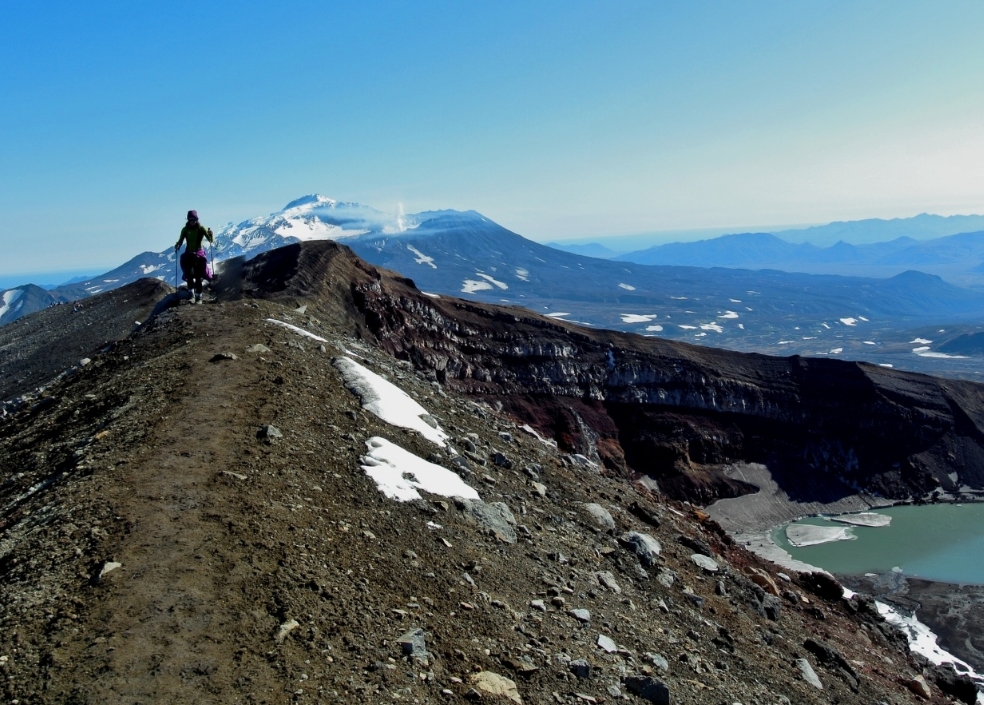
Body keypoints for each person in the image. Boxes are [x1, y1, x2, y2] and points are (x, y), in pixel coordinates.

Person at [175, 210, 214, 304]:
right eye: (190, 219)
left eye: (194, 219)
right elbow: (180, 240)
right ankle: (192, 295)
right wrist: (178, 245)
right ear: (188, 220)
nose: (192, 221)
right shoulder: (185, 230)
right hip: (189, 254)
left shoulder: (201, 229)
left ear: (197, 219)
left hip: (198, 254)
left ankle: (198, 297)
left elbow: (210, 240)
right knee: (189, 275)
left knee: (197, 275)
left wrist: (211, 235)